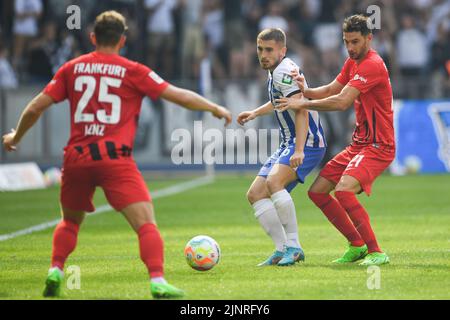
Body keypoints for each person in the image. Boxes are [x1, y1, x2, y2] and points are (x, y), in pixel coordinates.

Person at [2, 11, 232, 298]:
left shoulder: (72, 68)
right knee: (146, 223)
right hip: (115, 159)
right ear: (123, 39)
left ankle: (56, 270)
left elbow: (35, 107)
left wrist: (15, 137)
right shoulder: (133, 70)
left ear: (93, 37)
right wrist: (214, 107)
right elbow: (178, 95)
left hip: (76, 158)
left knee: (70, 222)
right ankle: (157, 281)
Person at [275, 14, 394, 266]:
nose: (350, 47)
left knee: (343, 191)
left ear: (369, 39)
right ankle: (356, 245)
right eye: (346, 42)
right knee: (318, 192)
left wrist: (303, 103)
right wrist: (304, 90)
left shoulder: (372, 64)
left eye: (355, 42)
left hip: (378, 146)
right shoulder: (353, 62)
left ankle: (376, 252)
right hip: (359, 145)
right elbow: (331, 90)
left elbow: (341, 102)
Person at [237, 28, 326, 267]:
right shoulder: (277, 70)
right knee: (255, 194)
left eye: (269, 50)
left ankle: (294, 247)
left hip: (306, 142)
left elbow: (301, 109)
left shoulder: (283, 71)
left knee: (273, 183)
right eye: (260, 49)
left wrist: (299, 150)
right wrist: (255, 112)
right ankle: (280, 249)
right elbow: (281, 101)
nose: (263, 54)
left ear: (282, 51)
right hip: (290, 142)